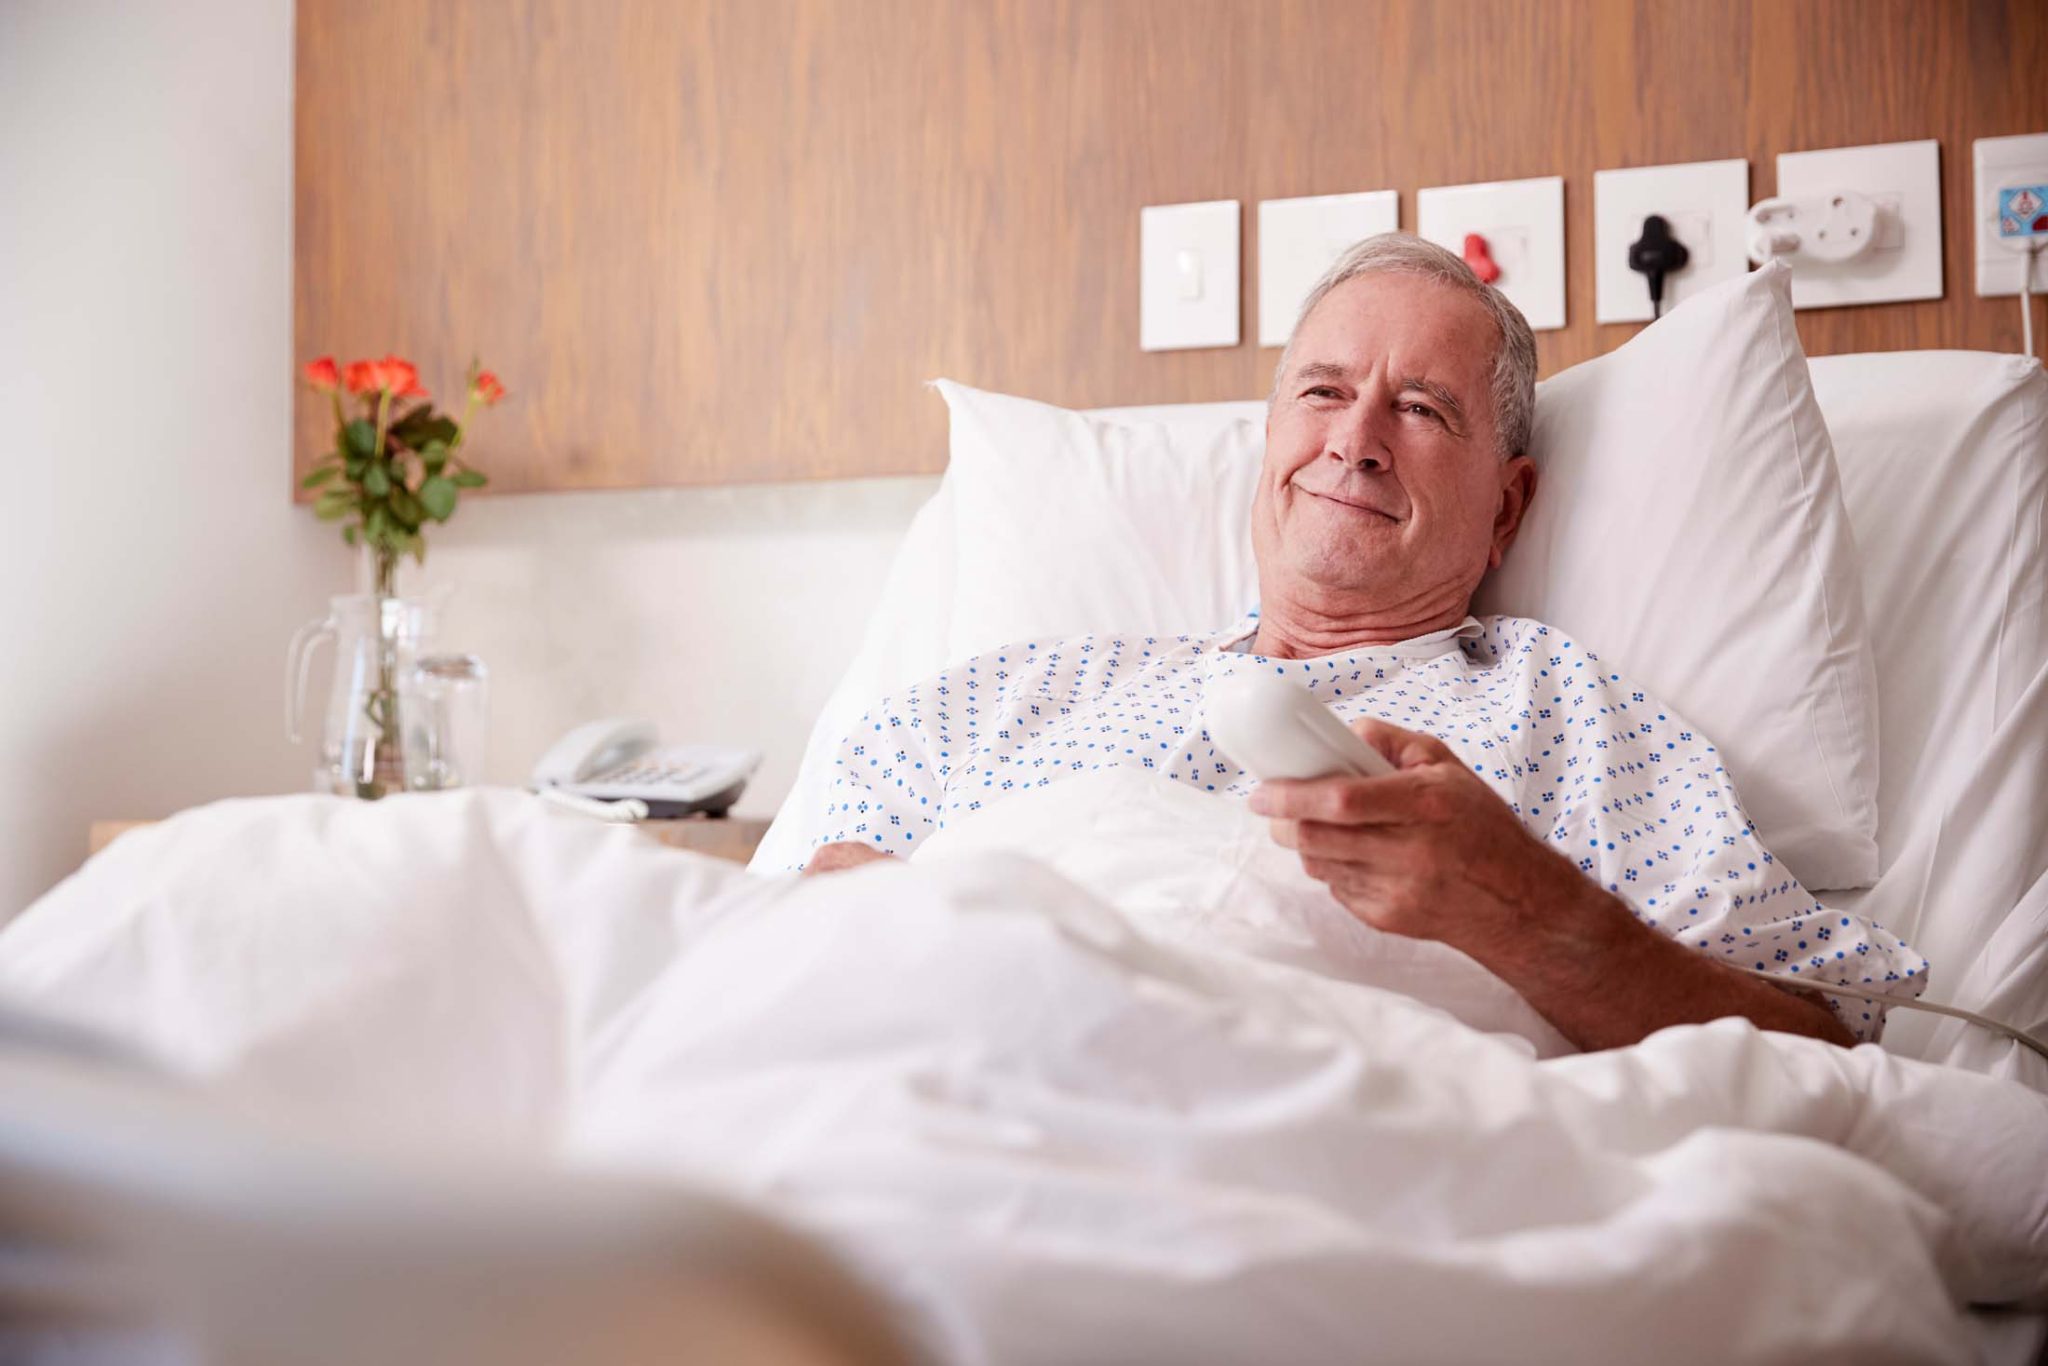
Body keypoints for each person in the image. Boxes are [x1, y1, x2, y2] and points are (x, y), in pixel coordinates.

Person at [801, 233, 1926, 1051]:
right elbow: (794, 924)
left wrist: (1525, 913)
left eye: (1422, 409)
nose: (1354, 440)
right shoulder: (1009, 695)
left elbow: (1816, 1039)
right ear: (1270, 442)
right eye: (1323, 391)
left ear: (1505, 510)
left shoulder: (1557, 715)